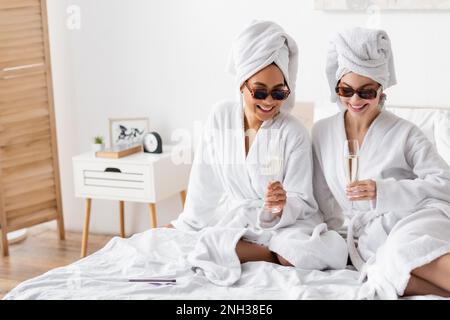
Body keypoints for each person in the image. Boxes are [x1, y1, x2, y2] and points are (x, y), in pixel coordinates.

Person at [167, 20, 347, 286]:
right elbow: (203, 182)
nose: (269, 101)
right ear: (242, 85)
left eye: (279, 92)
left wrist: (279, 205)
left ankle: (276, 254)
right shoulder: (221, 116)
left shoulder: (294, 132)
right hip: (241, 220)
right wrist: (187, 223)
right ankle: (270, 254)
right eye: (260, 91)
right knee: (210, 240)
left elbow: (304, 200)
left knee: (305, 250)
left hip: (288, 224)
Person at [312, 27, 450, 298]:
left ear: (381, 90)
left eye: (366, 92)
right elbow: (321, 205)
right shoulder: (322, 132)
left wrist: (383, 192)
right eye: (346, 90)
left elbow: (445, 184)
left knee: (400, 250)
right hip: (370, 241)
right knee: (383, 273)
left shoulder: (406, 132)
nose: (354, 100)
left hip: (416, 218)